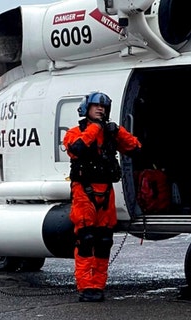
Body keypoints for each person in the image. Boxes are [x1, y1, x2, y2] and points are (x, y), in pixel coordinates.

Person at [63, 91, 141, 302]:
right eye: (96, 106)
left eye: (104, 107)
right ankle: (85, 285)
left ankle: (98, 285)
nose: (101, 110)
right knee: (86, 238)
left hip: (106, 190)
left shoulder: (111, 133)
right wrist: (95, 128)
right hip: (83, 191)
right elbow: (77, 148)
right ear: (86, 108)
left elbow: (135, 148)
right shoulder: (74, 132)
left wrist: (118, 132)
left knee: (104, 240)